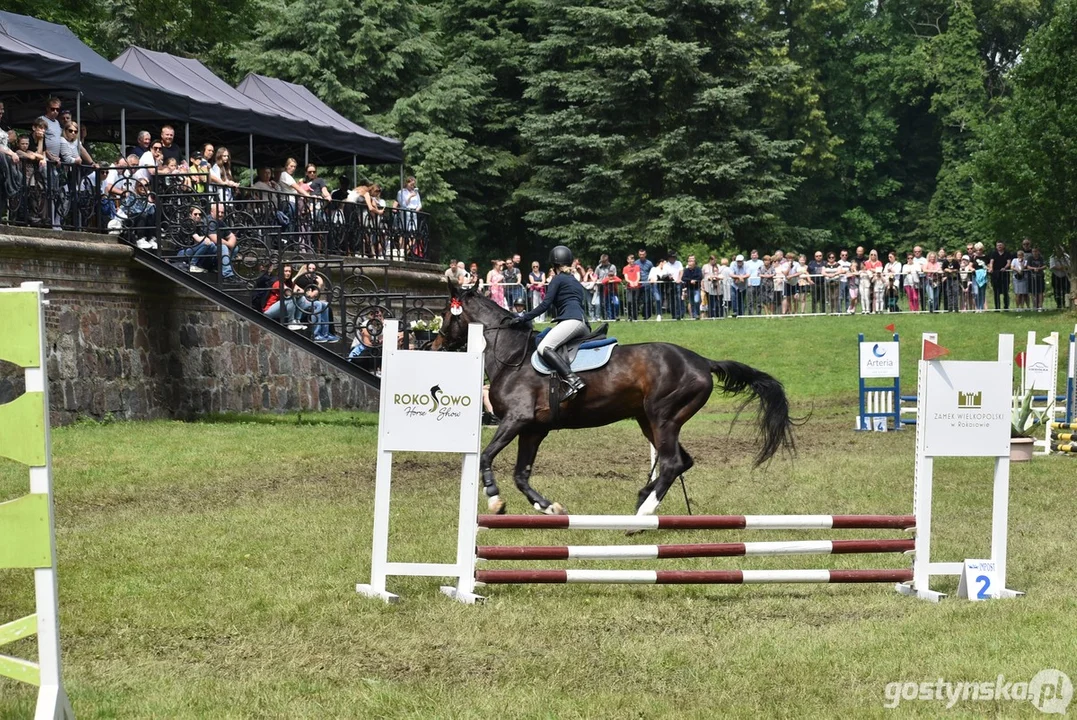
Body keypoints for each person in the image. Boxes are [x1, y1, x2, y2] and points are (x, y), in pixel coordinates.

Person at [511, 245, 588, 400]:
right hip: (583, 324)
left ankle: (572, 380)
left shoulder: (557, 279)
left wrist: (523, 317)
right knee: (546, 339)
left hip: (571, 321)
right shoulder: (574, 281)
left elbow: (545, 305)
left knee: (544, 347)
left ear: (554, 264)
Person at [986, 241, 1014, 310]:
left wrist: (1005, 268)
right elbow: (991, 262)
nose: (999, 246)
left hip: (1004, 274)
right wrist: (991, 268)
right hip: (996, 274)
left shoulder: (1007, 253)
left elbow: (1008, 262)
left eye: (1000, 245)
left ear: (1003, 246)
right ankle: (997, 307)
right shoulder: (994, 253)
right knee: (996, 292)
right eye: (998, 245)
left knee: (1005, 291)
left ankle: (1006, 307)